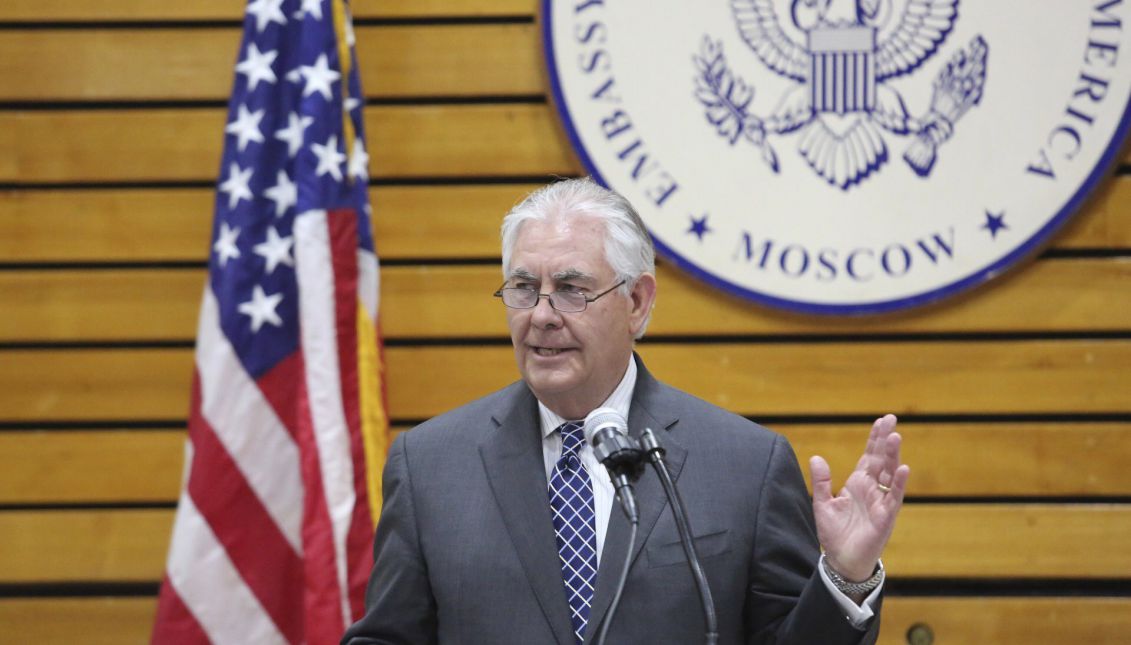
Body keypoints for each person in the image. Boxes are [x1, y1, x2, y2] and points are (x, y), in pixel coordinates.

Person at [342, 178, 910, 644]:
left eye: (570, 289)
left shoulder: (745, 466)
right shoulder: (432, 465)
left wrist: (845, 576)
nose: (540, 315)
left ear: (637, 302)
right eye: (522, 287)